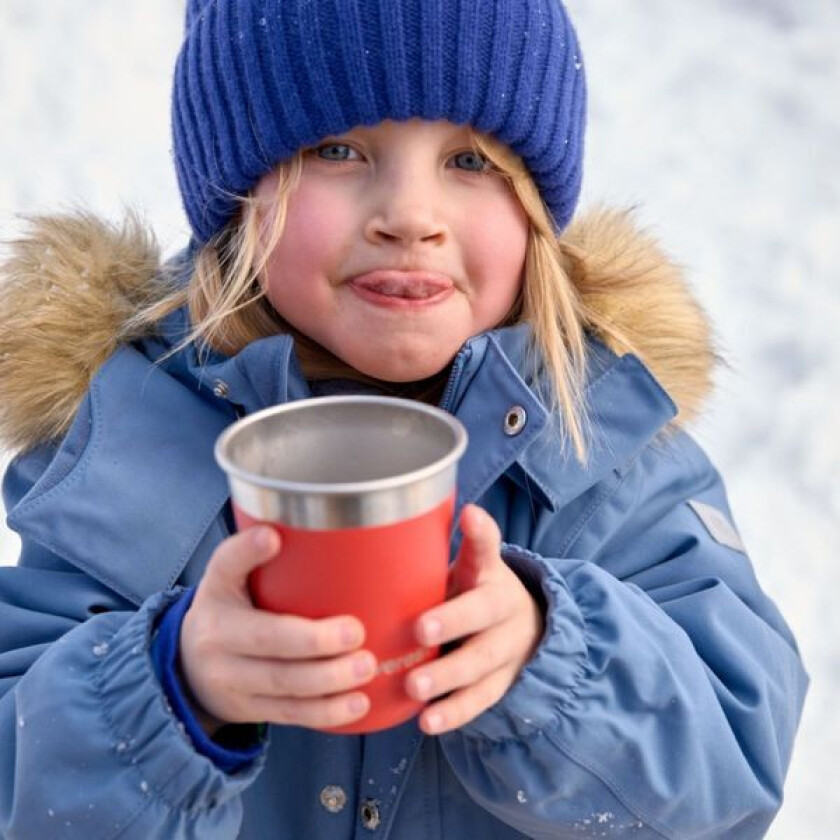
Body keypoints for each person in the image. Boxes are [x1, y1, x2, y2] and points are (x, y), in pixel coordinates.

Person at [0, 0, 807, 837]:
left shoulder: (598, 433)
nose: (411, 216)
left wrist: (553, 659)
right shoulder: (128, 436)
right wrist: (171, 691)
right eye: (338, 150)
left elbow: (734, 761)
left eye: (469, 159)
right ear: (238, 195)